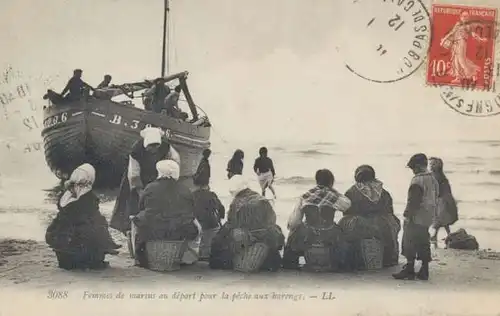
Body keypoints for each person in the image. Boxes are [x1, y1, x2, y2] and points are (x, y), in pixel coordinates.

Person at [45, 164, 120, 270]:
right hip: (81, 243)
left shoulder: (65, 195)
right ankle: (91, 260)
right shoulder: (88, 197)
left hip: (64, 252)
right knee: (99, 224)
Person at [110, 127, 181, 236]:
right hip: (139, 176)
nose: (153, 150)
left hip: (158, 174)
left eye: (156, 146)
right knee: (134, 205)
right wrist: (141, 193)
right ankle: (131, 230)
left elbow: (175, 162)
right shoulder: (136, 150)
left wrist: (169, 179)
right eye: (150, 147)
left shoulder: (166, 147)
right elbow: (134, 174)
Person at [133, 160, 200, 268]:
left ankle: (139, 258)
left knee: (137, 220)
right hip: (179, 231)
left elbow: (141, 206)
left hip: (153, 230)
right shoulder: (185, 189)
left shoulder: (150, 187)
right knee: (194, 224)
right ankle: (186, 257)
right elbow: (191, 209)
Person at [209, 175, 284, 271]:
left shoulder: (236, 203)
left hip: (250, 243)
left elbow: (229, 226)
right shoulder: (262, 200)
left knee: (230, 238)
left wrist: (216, 244)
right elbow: (271, 223)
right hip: (267, 241)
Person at [282, 169, 351, 270]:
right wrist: (335, 192)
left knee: (292, 237)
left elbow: (294, 222)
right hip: (330, 232)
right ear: (331, 182)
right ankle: (341, 265)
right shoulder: (334, 196)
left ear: (317, 181)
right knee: (344, 243)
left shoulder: (305, 196)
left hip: (308, 233)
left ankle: (289, 264)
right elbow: (346, 205)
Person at [337, 165, 401, 270]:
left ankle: (354, 259)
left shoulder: (352, 191)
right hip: (382, 224)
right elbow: (390, 210)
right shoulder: (383, 192)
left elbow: (347, 212)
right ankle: (388, 258)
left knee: (343, 224)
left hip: (360, 224)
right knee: (392, 222)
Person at [393, 153, 439, 281]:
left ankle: (409, 267)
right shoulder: (433, 178)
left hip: (416, 216)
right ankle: (424, 269)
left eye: (413, 168)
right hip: (428, 216)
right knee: (424, 241)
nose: (413, 171)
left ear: (418, 166)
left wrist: (407, 215)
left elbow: (413, 201)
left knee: (409, 241)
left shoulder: (417, 180)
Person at [429, 157, 458, 242]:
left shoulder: (437, 176)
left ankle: (443, 235)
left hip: (441, 199)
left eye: (433, 164)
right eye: (430, 164)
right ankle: (443, 235)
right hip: (441, 199)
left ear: (438, 166)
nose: (431, 166)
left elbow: (438, 189)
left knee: (440, 219)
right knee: (441, 220)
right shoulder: (438, 175)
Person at [193, 184, 225, 260]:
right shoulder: (211, 194)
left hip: (196, 223)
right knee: (209, 243)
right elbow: (221, 209)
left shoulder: (192, 195)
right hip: (211, 224)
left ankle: (201, 255)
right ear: (207, 186)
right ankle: (205, 255)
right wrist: (221, 217)